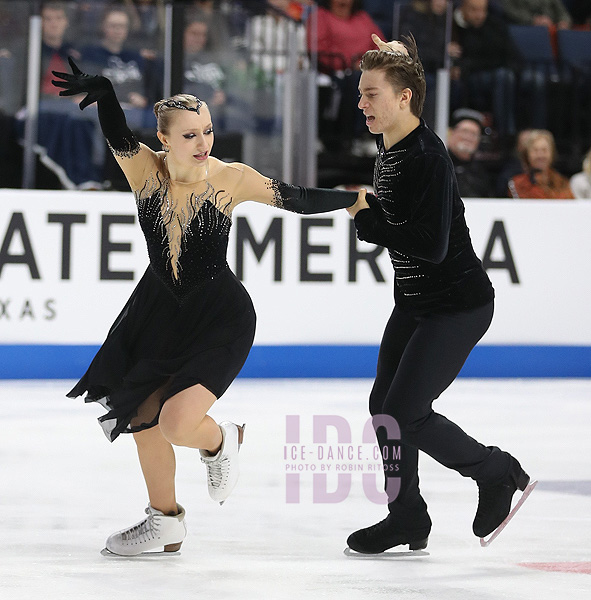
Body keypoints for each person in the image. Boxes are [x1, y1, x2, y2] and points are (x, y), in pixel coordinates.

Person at [51, 57, 360, 556]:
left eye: (208, 132)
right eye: (190, 135)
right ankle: (165, 520)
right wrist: (106, 93)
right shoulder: (144, 173)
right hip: (157, 313)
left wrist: (351, 198)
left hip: (219, 318)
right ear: (165, 138)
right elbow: (118, 135)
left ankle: (222, 440)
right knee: (138, 416)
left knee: (177, 423)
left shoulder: (230, 178)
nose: (203, 144)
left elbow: (296, 197)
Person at [344, 34, 534, 554]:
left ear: (403, 98)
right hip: (415, 302)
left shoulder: (426, 155)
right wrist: (403, 59)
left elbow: (430, 245)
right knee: (384, 408)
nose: (361, 103)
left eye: (372, 93)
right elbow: (405, 220)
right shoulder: (391, 144)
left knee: (406, 410)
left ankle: (495, 471)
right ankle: (407, 518)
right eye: (361, 93)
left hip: (457, 305)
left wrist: (371, 223)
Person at [451, 0, 519, 136]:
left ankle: (506, 133)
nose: (479, 15)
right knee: (503, 76)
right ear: (463, 7)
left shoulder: (494, 24)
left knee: (508, 76)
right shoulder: (451, 24)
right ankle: (506, 133)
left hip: (492, 73)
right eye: (474, 10)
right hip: (469, 78)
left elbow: (509, 54)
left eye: (483, 10)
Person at [508, 129, 574, 198]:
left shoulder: (562, 183)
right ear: (527, 155)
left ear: (552, 154)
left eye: (544, 150)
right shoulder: (516, 184)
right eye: (535, 151)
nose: (540, 155)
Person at [447, 107, 495, 198]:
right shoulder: (438, 165)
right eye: (465, 131)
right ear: (451, 133)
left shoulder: (481, 174)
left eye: (474, 134)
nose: (468, 138)